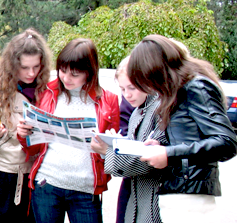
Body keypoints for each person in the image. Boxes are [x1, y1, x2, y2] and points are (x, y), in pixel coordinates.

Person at [125, 34, 237, 223]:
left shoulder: (196, 87)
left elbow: (226, 143)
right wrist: (161, 145)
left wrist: (168, 153)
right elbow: (191, 138)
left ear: (156, 70)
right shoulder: (181, 89)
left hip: (190, 198)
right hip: (179, 192)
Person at [17, 38, 119, 223]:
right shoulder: (46, 91)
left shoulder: (108, 100)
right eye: (62, 71)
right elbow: (32, 148)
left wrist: (105, 148)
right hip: (47, 182)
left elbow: (113, 152)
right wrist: (23, 135)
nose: (66, 78)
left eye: (75, 74)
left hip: (85, 188)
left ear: (89, 72)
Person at [0, 28, 51, 223]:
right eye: (25, 67)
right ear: (13, 64)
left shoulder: (49, 87)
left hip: (37, 175)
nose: (31, 73)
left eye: (36, 67)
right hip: (1, 175)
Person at [92, 56, 165, 223]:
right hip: (136, 197)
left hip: (153, 198)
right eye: (122, 89)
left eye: (132, 88)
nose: (127, 95)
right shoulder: (137, 111)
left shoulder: (160, 109)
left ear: (148, 80)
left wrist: (109, 150)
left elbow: (148, 161)